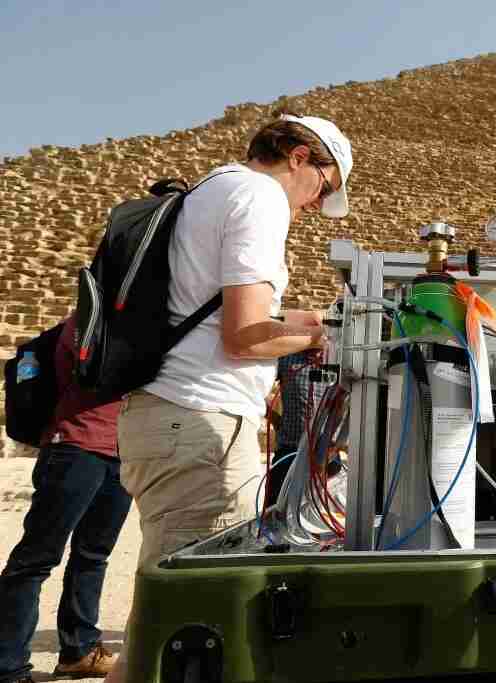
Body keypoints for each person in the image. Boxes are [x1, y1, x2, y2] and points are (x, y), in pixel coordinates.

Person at [106, 112, 353, 683]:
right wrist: (328, 336)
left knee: (157, 626)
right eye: (326, 185)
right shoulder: (261, 198)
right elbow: (244, 334)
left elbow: (229, 317)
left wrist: (312, 319)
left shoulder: (215, 187)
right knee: (190, 627)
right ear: (297, 156)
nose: (320, 203)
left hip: (174, 417)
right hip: (201, 422)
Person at [0, 318, 131, 683]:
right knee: (36, 558)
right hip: (75, 448)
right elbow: (116, 368)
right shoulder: (88, 322)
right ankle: (8, 664)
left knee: (93, 556)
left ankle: (79, 651)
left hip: (121, 452)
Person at [265, 348, 328, 505]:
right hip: (289, 450)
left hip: (324, 454)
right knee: (275, 508)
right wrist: (276, 420)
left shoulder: (336, 360)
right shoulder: (287, 358)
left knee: (315, 513)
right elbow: (256, 386)